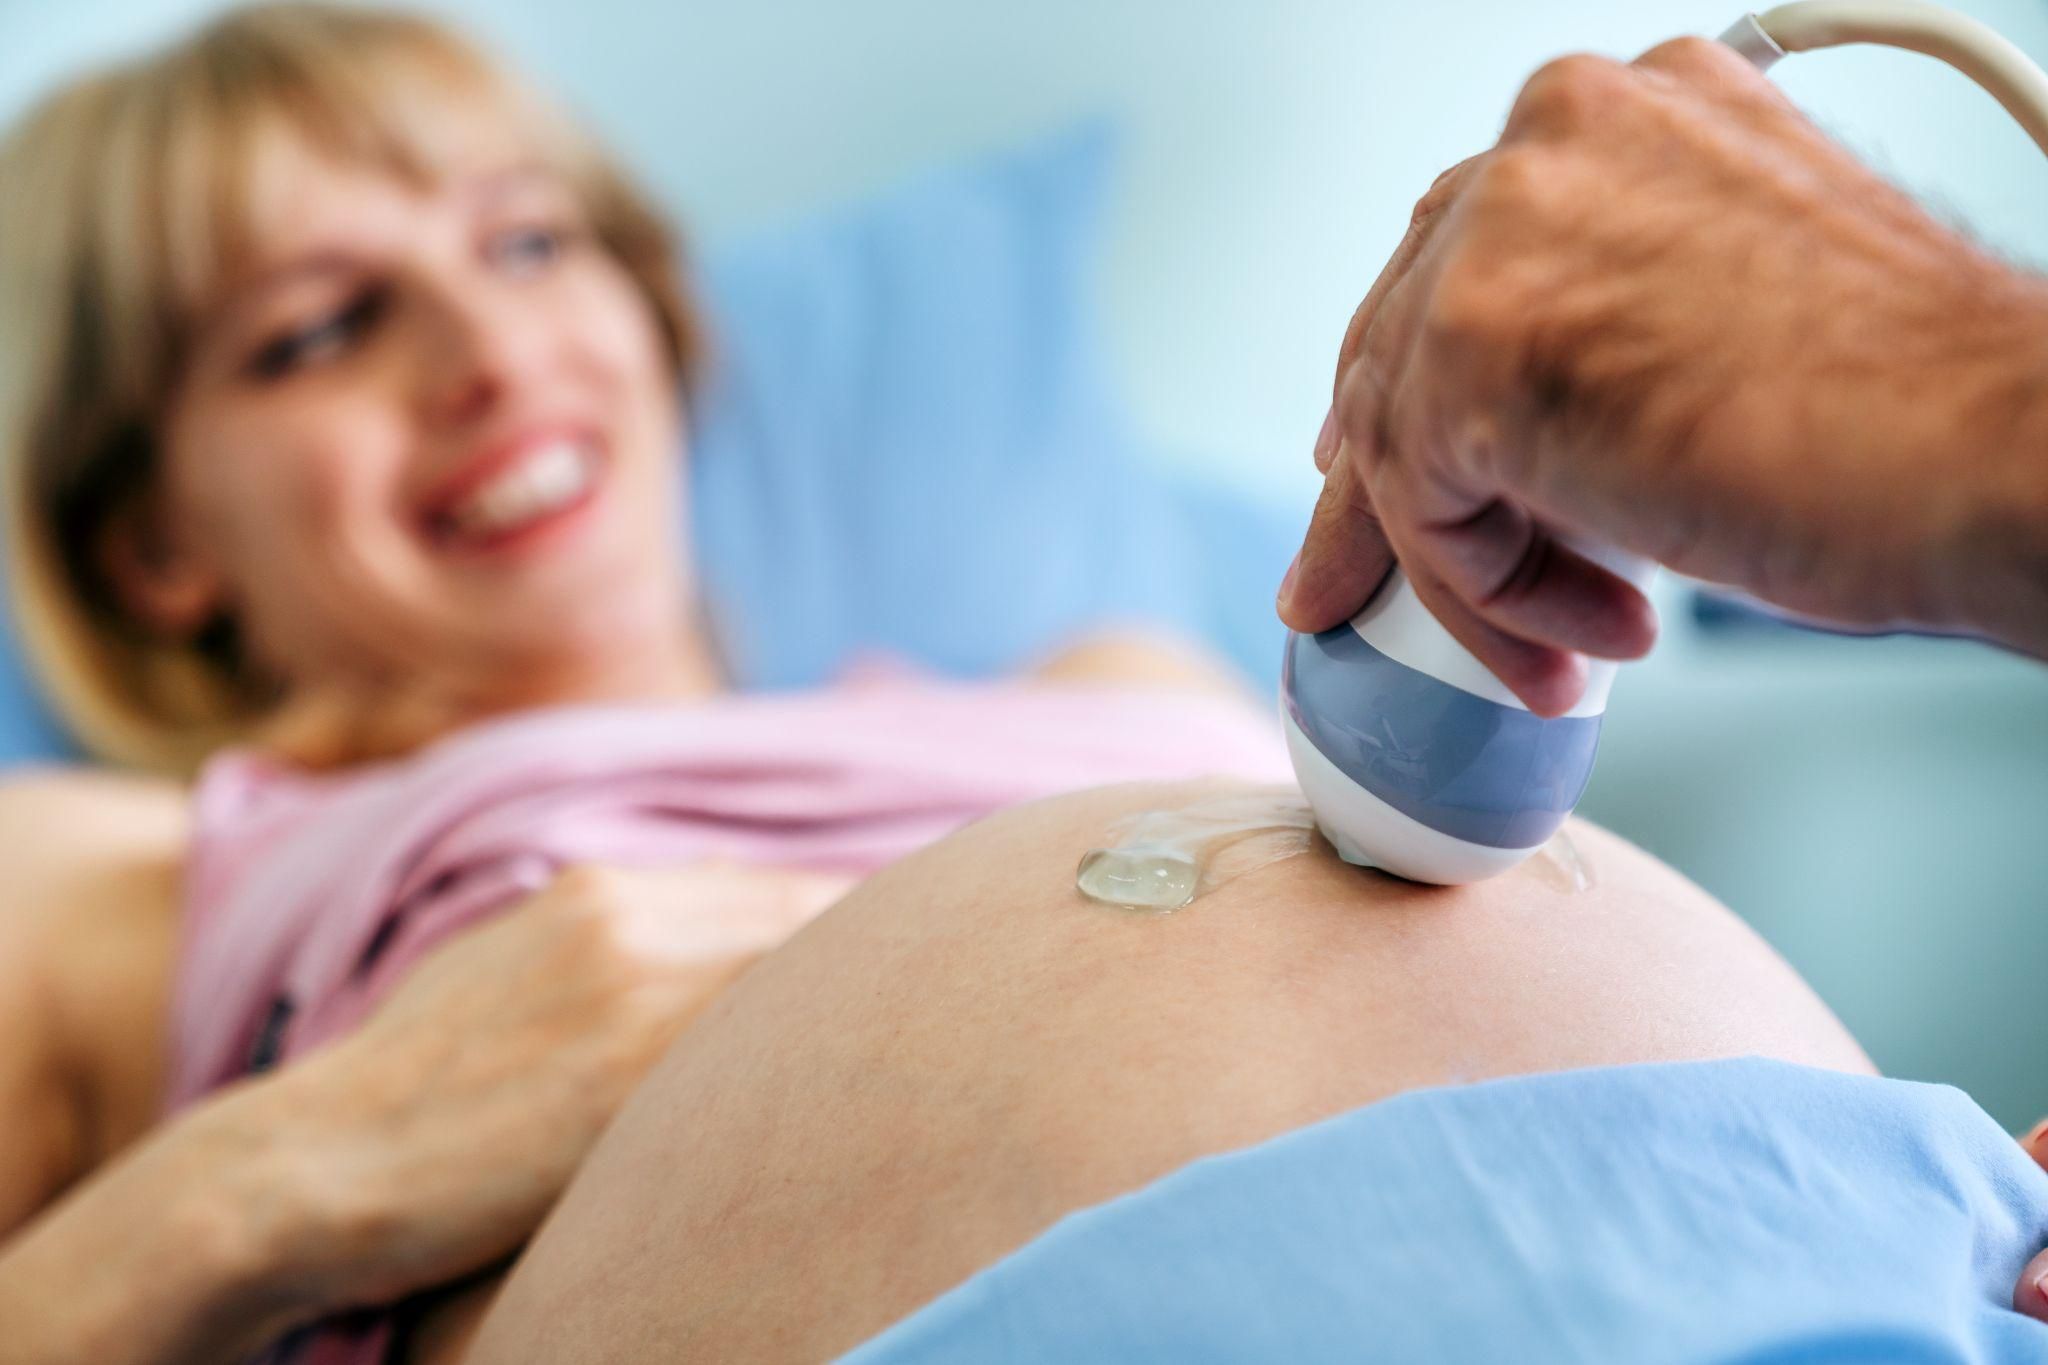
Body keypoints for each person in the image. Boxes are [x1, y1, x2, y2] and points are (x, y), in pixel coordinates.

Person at [0, 11, 2037, 1365]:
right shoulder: (106, 871)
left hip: (1855, 1258)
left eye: (533, 244)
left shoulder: (1114, 661)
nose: (488, 349)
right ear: (147, 541)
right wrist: (295, 1164)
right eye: (321, 324)